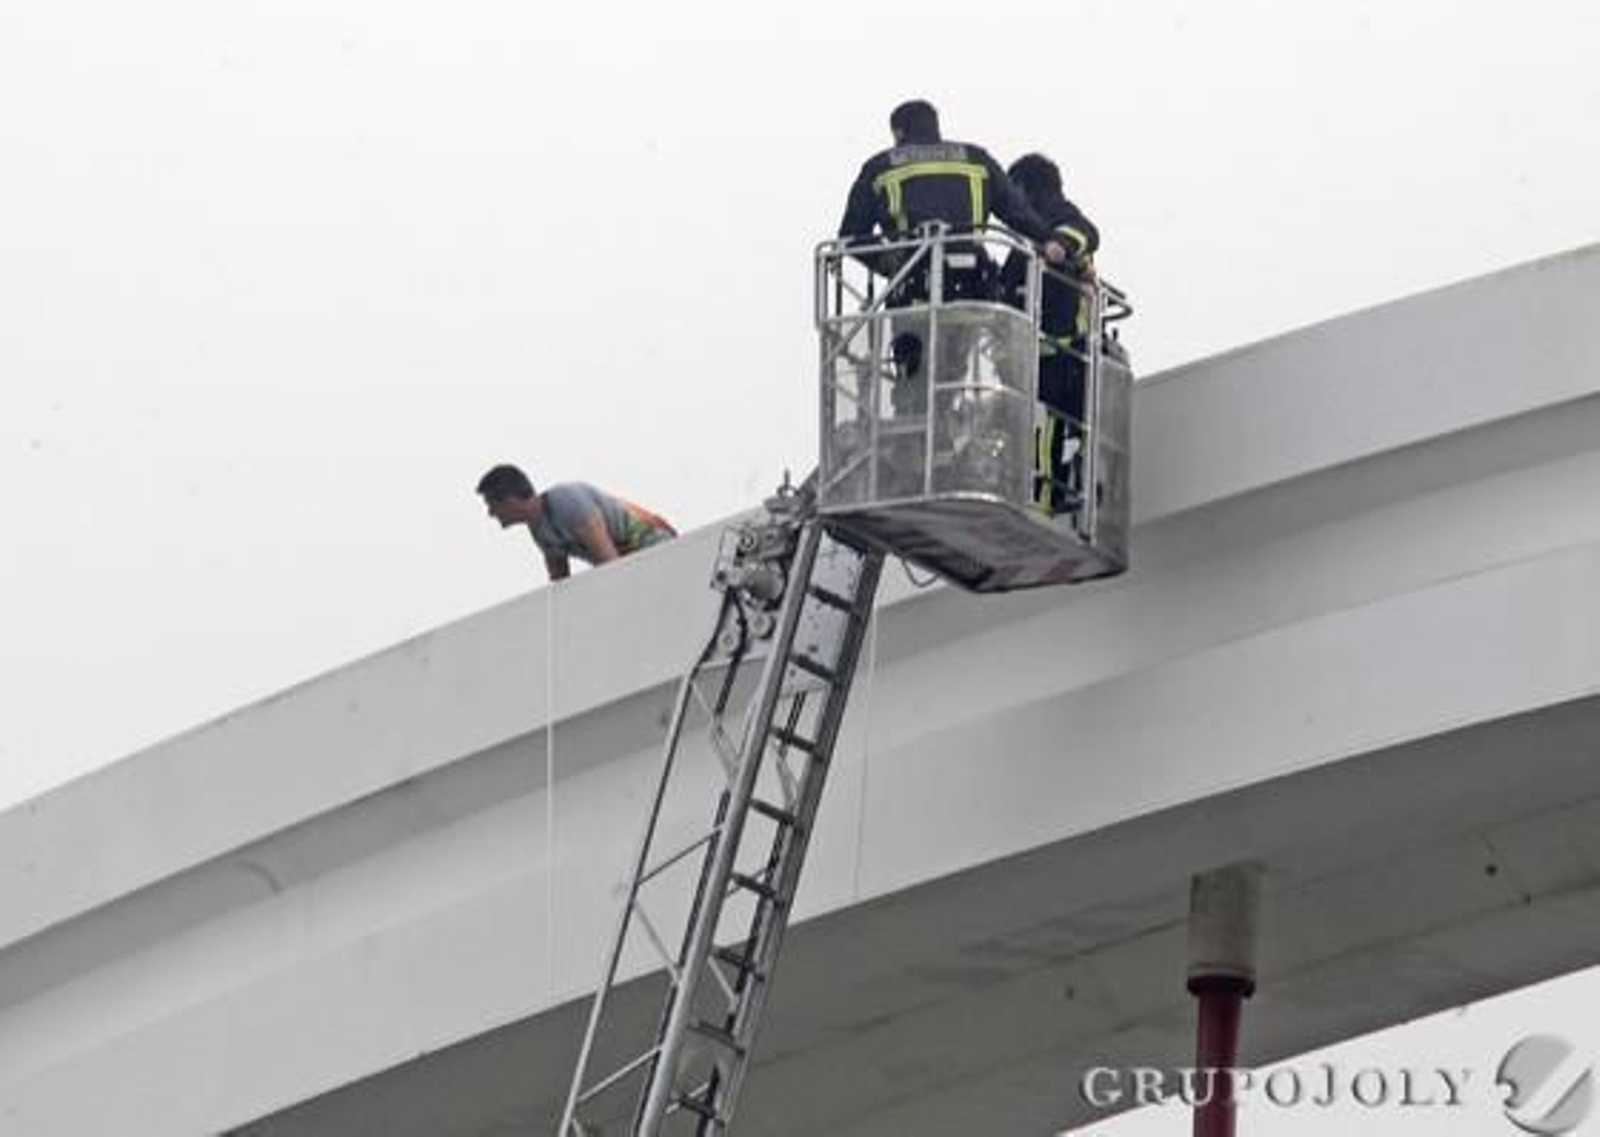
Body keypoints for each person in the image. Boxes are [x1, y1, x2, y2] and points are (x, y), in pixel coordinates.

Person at [837, 100, 1068, 416]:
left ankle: (916, 414)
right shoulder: (976, 160)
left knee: (915, 381)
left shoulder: (881, 167)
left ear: (899, 132)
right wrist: (1049, 241)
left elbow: (851, 237)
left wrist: (891, 265)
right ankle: (980, 415)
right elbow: (1018, 213)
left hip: (916, 290)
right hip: (973, 290)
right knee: (953, 368)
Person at [1000, 152, 1101, 514]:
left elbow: (1086, 232)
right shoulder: (1027, 240)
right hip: (1036, 354)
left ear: (1027, 188)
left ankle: (1043, 500)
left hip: (1059, 352)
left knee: (1048, 430)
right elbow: (1006, 288)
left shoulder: (1055, 216)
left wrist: (1061, 246)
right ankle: (1042, 492)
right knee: (1040, 429)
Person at [476, 464, 676, 582]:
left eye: (491, 505)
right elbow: (559, 587)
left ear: (510, 502)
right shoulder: (539, 531)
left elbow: (611, 564)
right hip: (630, 560)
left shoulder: (566, 501)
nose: (491, 513)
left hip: (652, 543)